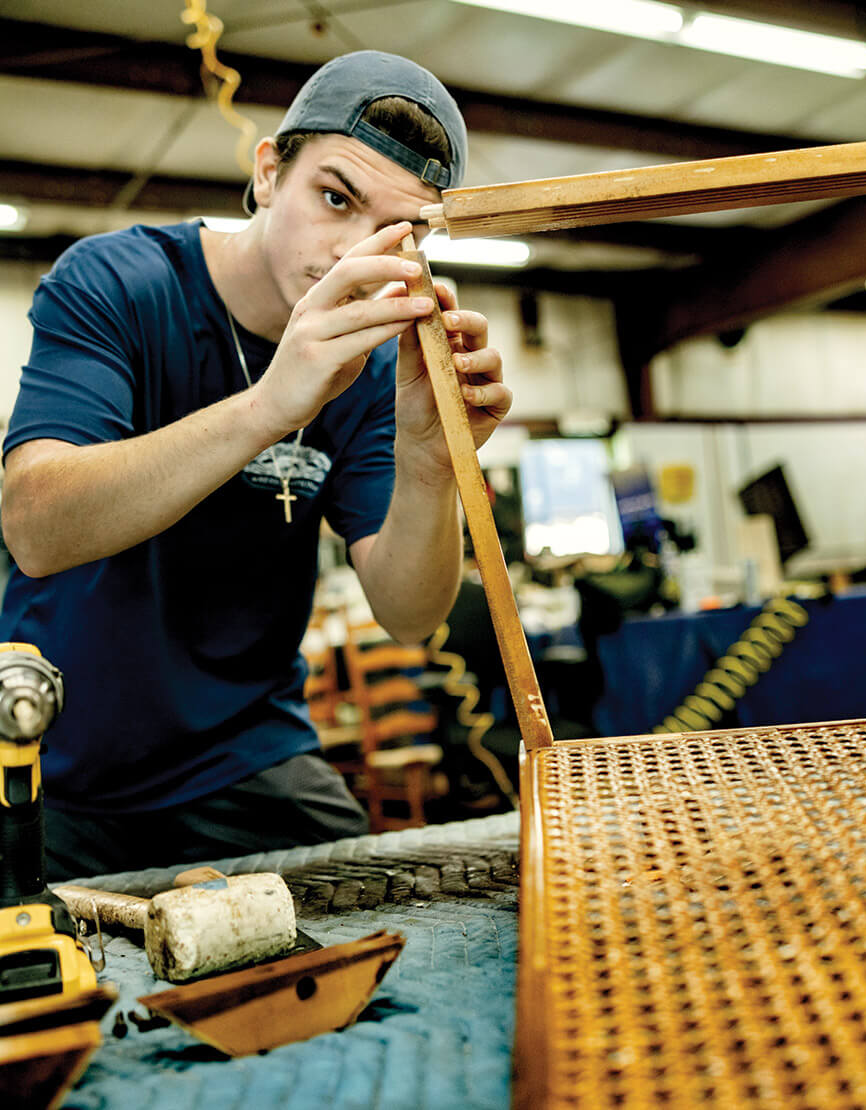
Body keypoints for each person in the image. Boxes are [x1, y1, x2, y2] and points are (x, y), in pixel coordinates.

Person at [0, 51, 511, 880]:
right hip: (53, 759)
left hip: (245, 755)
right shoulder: (114, 285)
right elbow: (35, 528)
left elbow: (411, 615)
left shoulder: (375, 369)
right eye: (335, 198)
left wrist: (428, 463)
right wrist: (274, 404)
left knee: (391, 935)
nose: (352, 251)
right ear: (269, 171)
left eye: (399, 230)